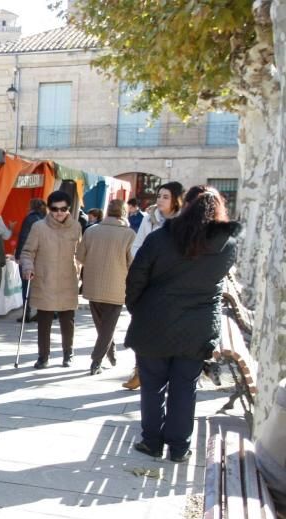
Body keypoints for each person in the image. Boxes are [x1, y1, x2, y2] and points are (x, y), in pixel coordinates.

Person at [126, 187, 239, 463]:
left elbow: (136, 278)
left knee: (152, 385)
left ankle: (152, 442)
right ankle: (179, 447)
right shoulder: (227, 246)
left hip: (155, 321)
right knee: (185, 388)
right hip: (197, 327)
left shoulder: (159, 238)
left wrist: (136, 308)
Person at [123, 181, 184, 389]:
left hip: (174, 283)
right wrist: (146, 263)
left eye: (165, 197)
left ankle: (165, 372)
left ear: (176, 199)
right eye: (159, 196)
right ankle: (140, 371)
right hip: (149, 280)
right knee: (143, 327)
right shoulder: (149, 219)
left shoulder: (184, 222)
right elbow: (136, 246)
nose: (160, 200)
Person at [19, 190, 82, 369]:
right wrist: (28, 267)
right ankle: (43, 356)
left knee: (67, 321)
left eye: (63, 209)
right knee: (44, 322)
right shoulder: (39, 227)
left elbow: (80, 252)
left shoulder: (76, 226)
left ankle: (68, 354)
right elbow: (27, 252)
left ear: (69, 209)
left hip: (67, 280)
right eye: (55, 209)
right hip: (44, 279)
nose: (59, 213)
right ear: (49, 208)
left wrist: (79, 269)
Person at [75, 199, 135, 375]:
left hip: (93, 284)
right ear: (124, 213)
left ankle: (109, 351)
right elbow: (132, 263)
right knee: (107, 326)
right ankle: (96, 360)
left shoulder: (91, 231)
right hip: (117, 286)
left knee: (102, 325)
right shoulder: (129, 234)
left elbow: (80, 256)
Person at [15, 198, 46, 323]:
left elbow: (23, 237)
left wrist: (18, 255)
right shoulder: (44, 219)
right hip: (40, 256)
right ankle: (40, 312)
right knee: (40, 285)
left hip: (28, 256)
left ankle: (26, 313)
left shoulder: (30, 219)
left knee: (26, 285)